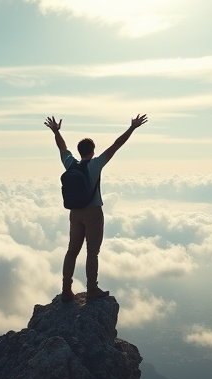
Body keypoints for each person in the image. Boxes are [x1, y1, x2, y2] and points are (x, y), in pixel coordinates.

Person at [44, 114, 148, 302]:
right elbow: (116, 145)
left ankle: (66, 289)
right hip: (93, 212)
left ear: (79, 151)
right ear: (92, 151)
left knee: (72, 250)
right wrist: (132, 128)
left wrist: (56, 132)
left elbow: (62, 147)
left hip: (74, 213)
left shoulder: (69, 163)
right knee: (92, 251)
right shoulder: (96, 164)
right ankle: (92, 288)